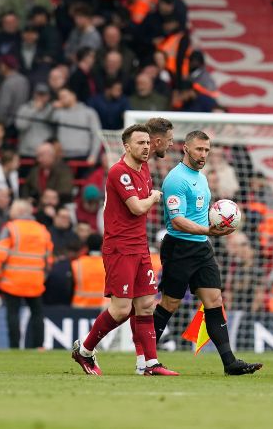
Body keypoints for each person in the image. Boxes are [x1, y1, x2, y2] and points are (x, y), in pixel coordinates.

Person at [71, 124, 178, 376]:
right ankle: (84, 350)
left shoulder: (144, 168)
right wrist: (153, 197)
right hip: (120, 247)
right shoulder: (120, 172)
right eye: (140, 143)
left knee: (146, 305)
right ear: (127, 146)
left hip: (139, 246)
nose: (145, 147)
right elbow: (137, 208)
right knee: (120, 309)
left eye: (147, 143)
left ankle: (149, 364)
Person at [154, 130, 262, 375]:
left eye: (206, 150)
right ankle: (146, 357)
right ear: (186, 149)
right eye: (199, 149)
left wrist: (214, 229)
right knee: (170, 303)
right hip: (179, 246)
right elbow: (178, 220)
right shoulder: (175, 179)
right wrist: (208, 230)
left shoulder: (201, 177)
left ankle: (230, 363)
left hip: (202, 246)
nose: (203, 154)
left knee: (215, 301)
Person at [0, 199, 52, 348]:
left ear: (19, 212)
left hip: (12, 281)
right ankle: (39, 346)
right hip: (35, 280)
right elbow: (48, 259)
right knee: (37, 313)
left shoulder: (10, 228)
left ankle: (14, 346)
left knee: (13, 314)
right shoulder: (42, 230)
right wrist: (43, 277)